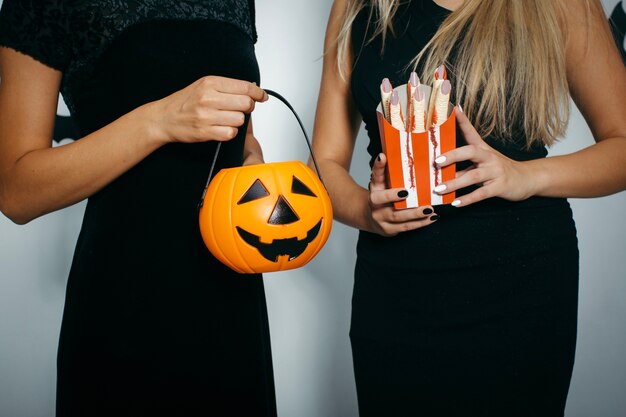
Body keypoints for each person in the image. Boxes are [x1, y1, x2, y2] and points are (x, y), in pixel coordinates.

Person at [311, 0, 626, 415]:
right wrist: (364, 212)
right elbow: (325, 162)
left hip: (521, 285)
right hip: (394, 288)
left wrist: (525, 175)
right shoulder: (358, 6)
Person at [0, 1, 277, 416]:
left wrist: (254, 171)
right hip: (124, 302)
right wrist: (159, 121)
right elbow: (16, 190)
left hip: (232, 295)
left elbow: (239, 135)